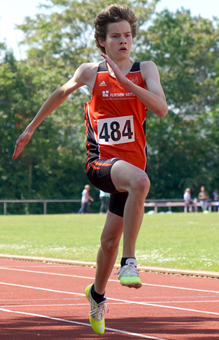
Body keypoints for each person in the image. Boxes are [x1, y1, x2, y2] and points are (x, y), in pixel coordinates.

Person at [12, 4, 167, 335]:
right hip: (101, 164)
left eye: (127, 35)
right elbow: (60, 93)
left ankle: (96, 295)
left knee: (109, 242)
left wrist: (126, 82)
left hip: (128, 170)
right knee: (141, 181)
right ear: (102, 41)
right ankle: (130, 263)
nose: (123, 41)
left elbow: (161, 109)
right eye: (115, 37)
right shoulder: (90, 72)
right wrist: (30, 128)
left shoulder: (146, 69)